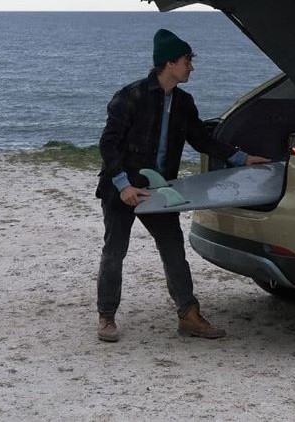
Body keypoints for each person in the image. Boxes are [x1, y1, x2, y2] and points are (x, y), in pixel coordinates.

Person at [94, 28, 269, 342]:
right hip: (123, 189)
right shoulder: (130, 96)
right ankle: (106, 316)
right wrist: (123, 185)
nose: (192, 67)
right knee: (115, 252)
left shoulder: (184, 102)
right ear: (170, 63)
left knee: (173, 249)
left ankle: (188, 316)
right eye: (188, 61)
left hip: (160, 191)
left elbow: (202, 139)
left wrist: (241, 159)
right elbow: (108, 144)